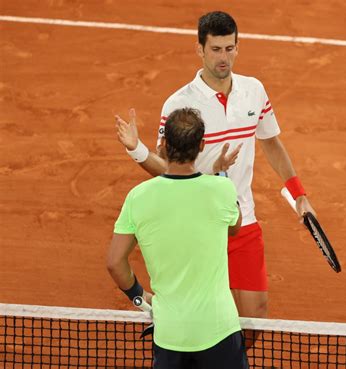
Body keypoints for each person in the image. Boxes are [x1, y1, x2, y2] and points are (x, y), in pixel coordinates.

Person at [115, 11, 316, 320]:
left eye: (230, 48)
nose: (224, 57)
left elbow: (272, 144)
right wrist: (137, 150)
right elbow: (168, 170)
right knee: (199, 314)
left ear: (237, 46)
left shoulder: (254, 91)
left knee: (254, 318)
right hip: (198, 220)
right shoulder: (178, 105)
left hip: (240, 218)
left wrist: (299, 193)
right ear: (200, 50)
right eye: (216, 49)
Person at [107, 107, 248, 369]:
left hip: (170, 335)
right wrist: (220, 173)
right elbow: (235, 227)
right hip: (219, 330)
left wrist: (139, 298)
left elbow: (115, 262)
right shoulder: (221, 190)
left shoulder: (138, 197)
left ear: (163, 145)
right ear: (202, 145)